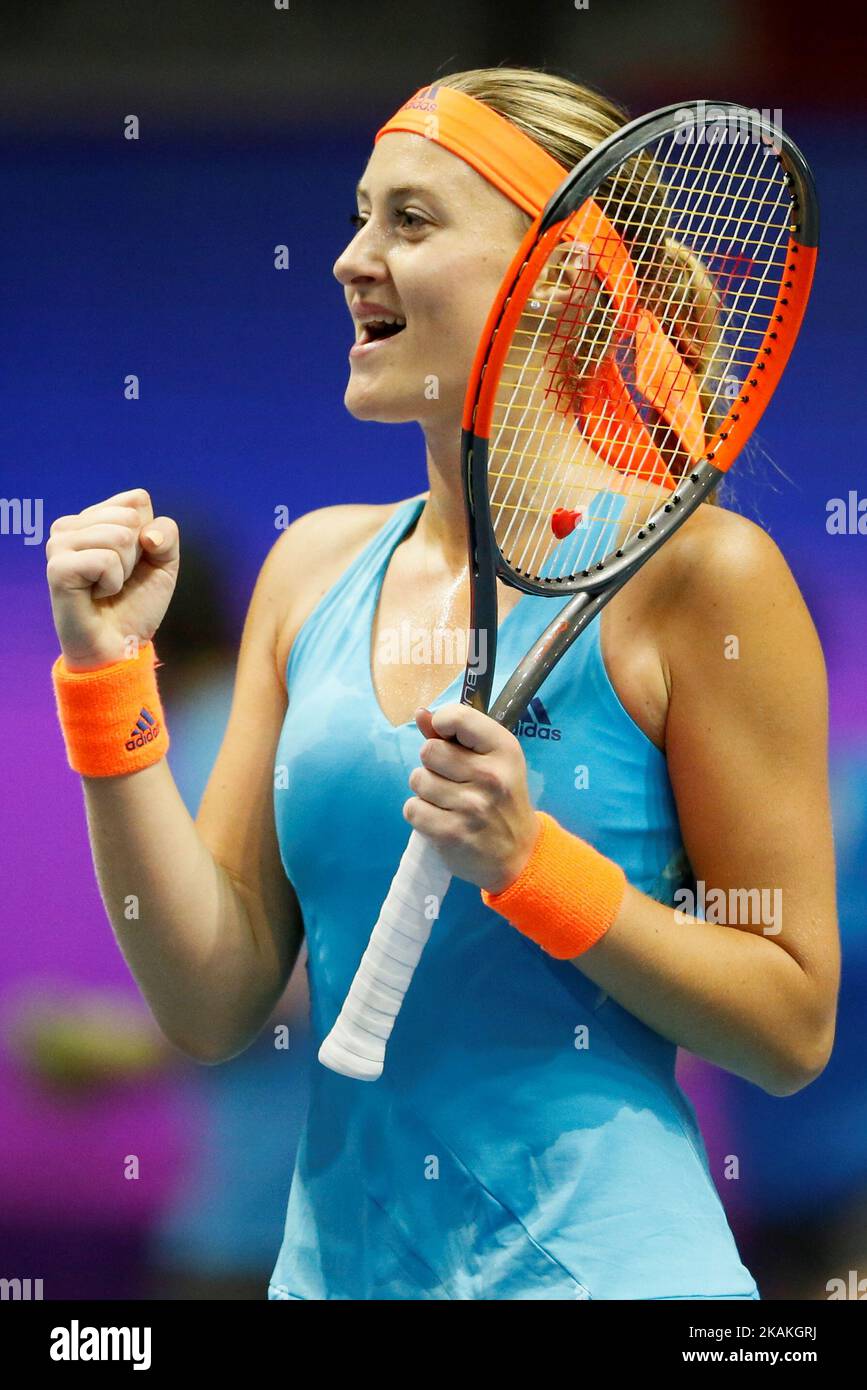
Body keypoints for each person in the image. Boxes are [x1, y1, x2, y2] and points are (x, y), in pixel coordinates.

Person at [46, 67, 839, 1301]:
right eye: (361, 214)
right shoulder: (308, 571)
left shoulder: (709, 579)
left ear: (561, 276)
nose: (351, 258)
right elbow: (210, 999)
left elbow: (791, 1025)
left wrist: (537, 866)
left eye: (410, 222)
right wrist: (109, 690)